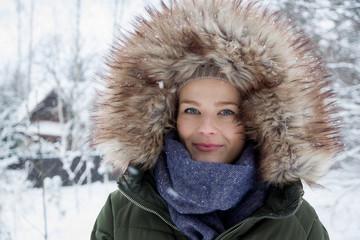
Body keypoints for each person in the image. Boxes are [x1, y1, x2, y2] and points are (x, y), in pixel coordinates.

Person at [90, 0, 342, 239]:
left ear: (259, 122)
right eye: (191, 110)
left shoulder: (297, 224)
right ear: (169, 117)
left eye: (226, 112)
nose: (207, 128)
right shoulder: (121, 213)